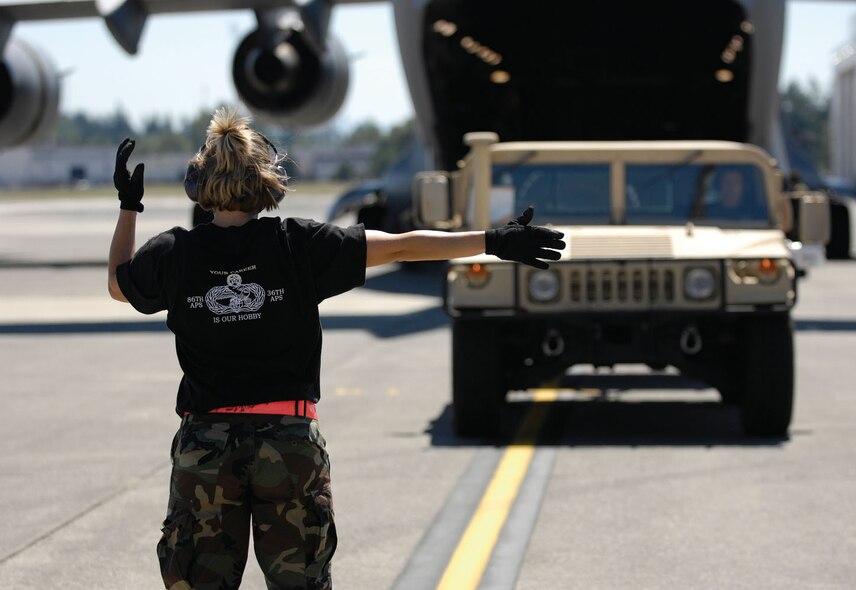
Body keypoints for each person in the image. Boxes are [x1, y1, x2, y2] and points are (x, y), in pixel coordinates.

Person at [107, 108, 564, 590]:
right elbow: (403, 246)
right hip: (288, 442)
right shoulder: (298, 243)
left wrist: (128, 208)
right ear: (267, 182)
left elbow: (119, 286)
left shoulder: (174, 253)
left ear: (196, 182)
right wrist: (492, 240)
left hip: (205, 447)